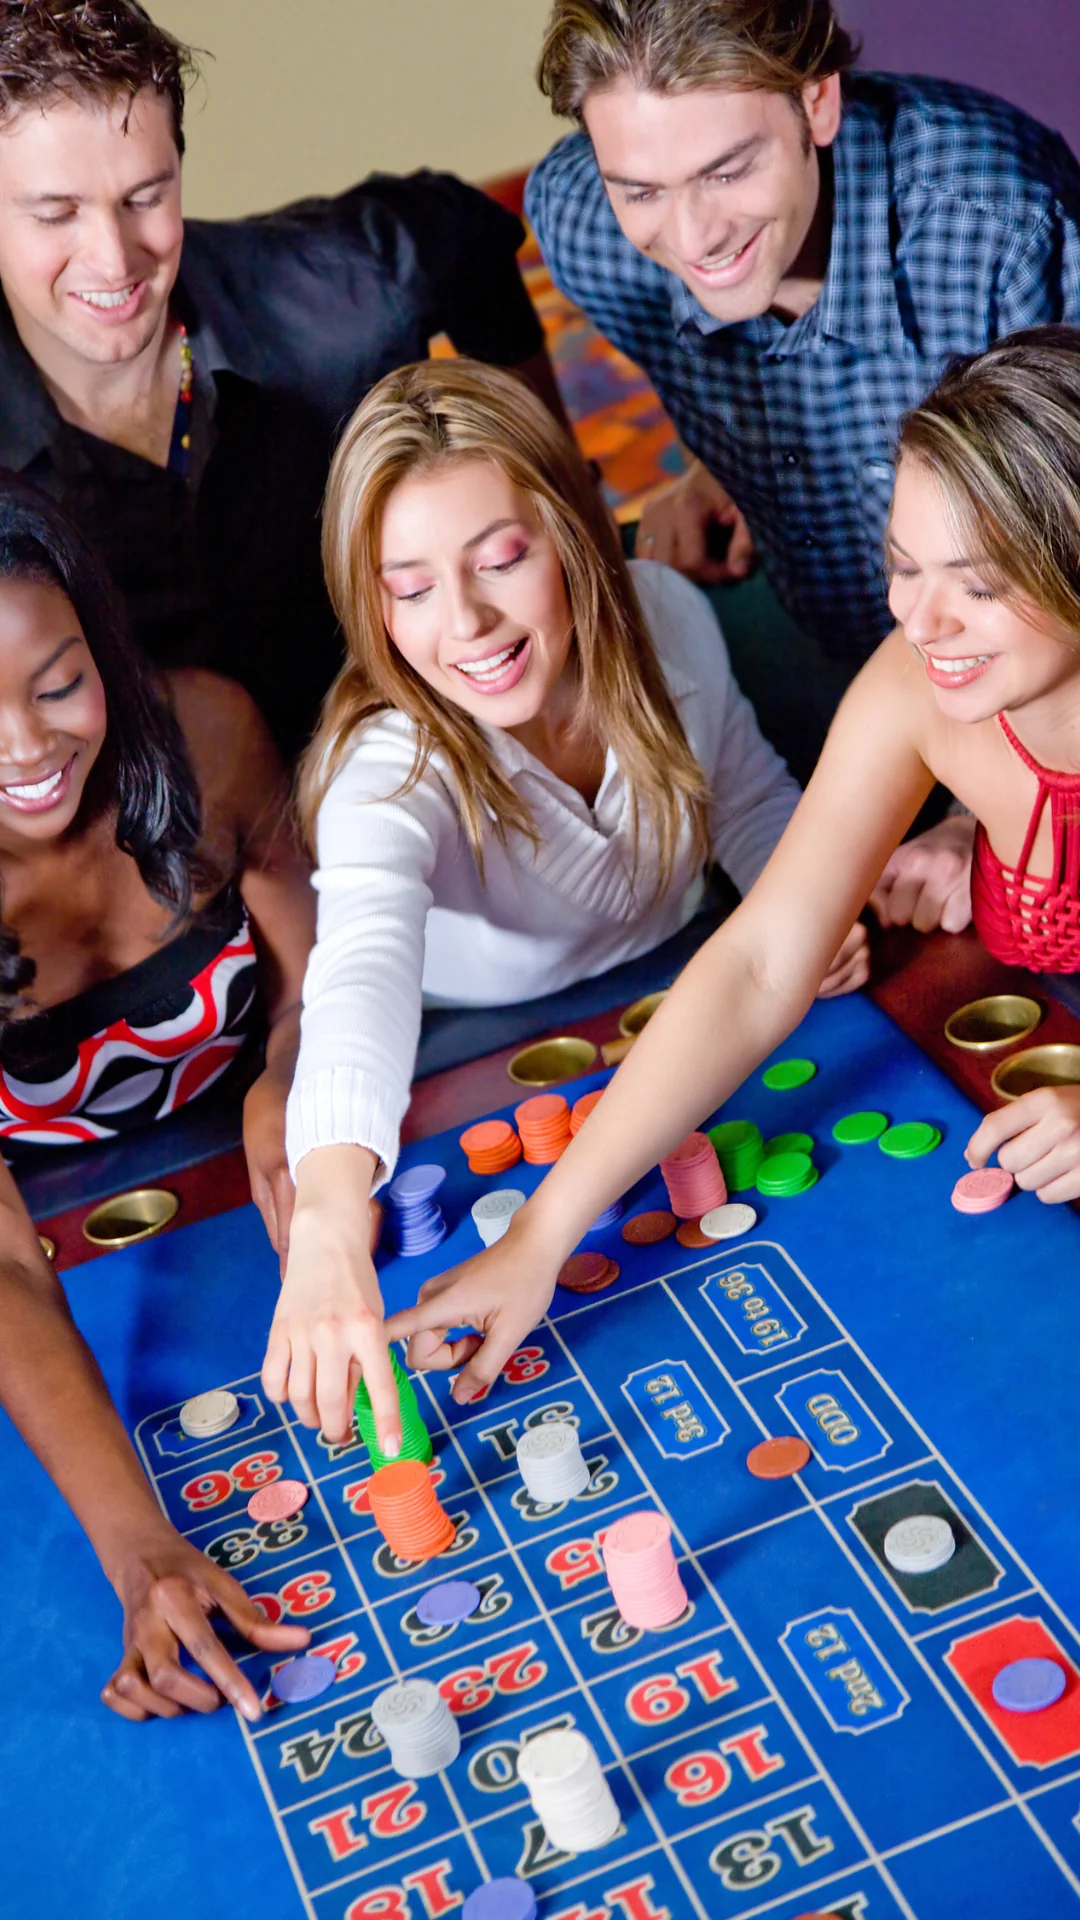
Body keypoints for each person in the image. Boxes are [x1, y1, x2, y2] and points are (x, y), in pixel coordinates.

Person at [384, 323, 1080, 1405]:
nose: (919, 618)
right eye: (902, 567)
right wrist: (542, 1234)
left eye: (977, 586)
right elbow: (762, 962)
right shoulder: (916, 690)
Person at [261, 356, 869, 1448]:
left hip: (684, 970)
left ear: (572, 531)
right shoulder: (385, 766)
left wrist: (808, 901)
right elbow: (357, 980)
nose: (468, 625)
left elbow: (748, 796)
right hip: (476, 1041)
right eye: (408, 588)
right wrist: (326, 1228)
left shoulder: (668, 618)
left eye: (500, 558)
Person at [525, 0, 1080, 898]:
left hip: (1029, 693)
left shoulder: (999, 222)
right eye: (642, 189)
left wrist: (981, 802)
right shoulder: (586, 229)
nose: (695, 237)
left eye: (727, 169)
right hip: (825, 641)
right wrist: (721, 463)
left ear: (816, 103)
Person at [0, 1, 561, 755]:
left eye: (145, 197)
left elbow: (467, 236)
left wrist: (560, 485)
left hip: (401, 752)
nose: (114, 258)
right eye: (55, 214)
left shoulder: (339, 291)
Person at [0, 475, 316, 1717]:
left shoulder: (214, 734)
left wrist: (282, 1078)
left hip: (273, 1189)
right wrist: (138, 1546)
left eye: (55, 682)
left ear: (104, 644)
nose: (27, 749)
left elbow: (317, 964)